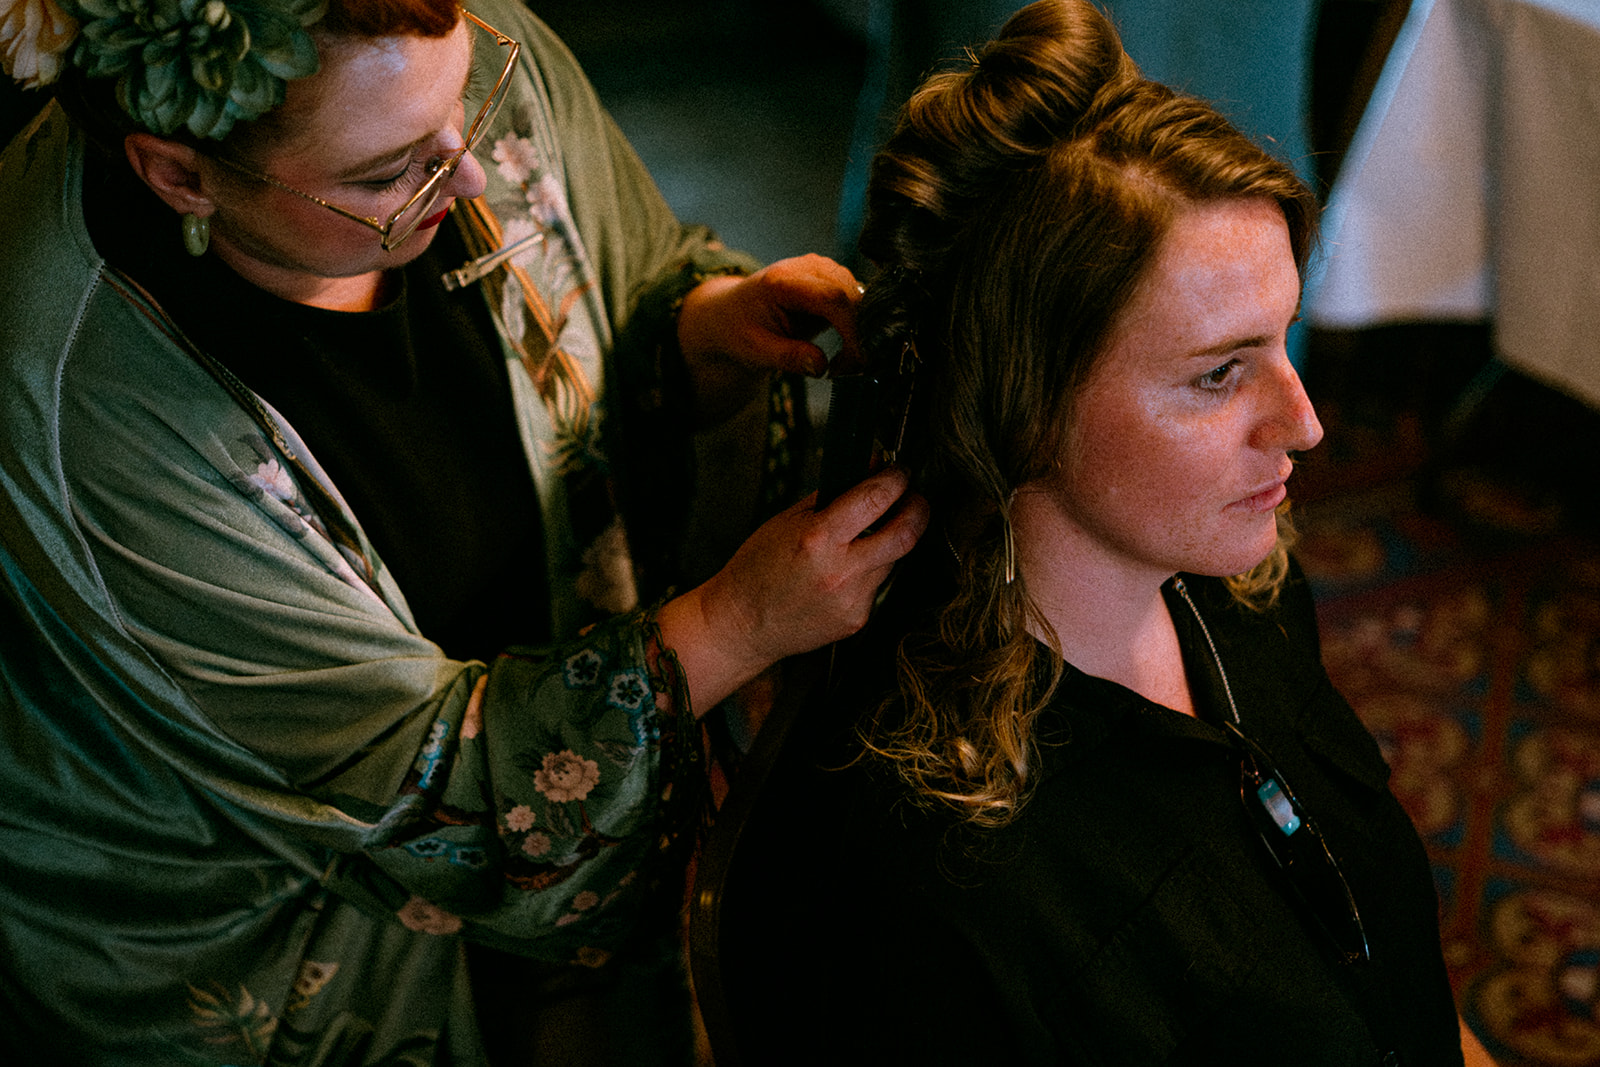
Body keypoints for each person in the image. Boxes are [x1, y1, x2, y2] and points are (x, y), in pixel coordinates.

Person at [0, 0, 927, 1060]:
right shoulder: (95, 407)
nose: (472, 170)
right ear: (181, 175)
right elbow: (421, 788)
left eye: (466, 104)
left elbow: (614, 282)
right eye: (384, 173)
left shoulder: (453, 60)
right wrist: (737, 623)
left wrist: (696, 334)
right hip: (260, 910)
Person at [708, 2, 1498, 1064]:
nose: (1305, 424)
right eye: (1218, 373)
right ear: (1022, 401)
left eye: (1280, 340)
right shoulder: (923, 889)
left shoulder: (1232, 579)